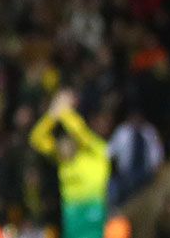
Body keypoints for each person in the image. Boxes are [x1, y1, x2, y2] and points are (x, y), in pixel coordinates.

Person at [29, 90, 111, 238]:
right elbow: (36, 138)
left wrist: (64, 111)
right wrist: (52, 114)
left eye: (66, 142)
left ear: (73, 141)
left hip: (94, 209)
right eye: (60, 144)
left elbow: (80, 132)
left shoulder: (97, 151)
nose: (61, 147)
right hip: (71, 212)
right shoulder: (62, 160)